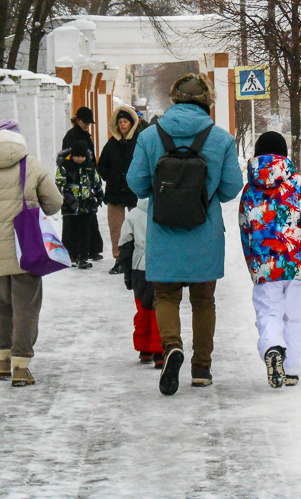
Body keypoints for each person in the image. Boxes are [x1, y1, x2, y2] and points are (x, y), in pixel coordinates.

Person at [127, 74, 244, 395]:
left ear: (175, 99)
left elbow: (136, 184)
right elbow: (232, 188)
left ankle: (171, 348)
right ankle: (202, 368)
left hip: (163, 232)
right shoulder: (220, 139)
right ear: (207, 102)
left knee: (165, 296)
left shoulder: (151, 137)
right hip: (204, 233)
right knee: (204, 301)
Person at [0, 119, 63, 387]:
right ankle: (21, 366)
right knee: (26, 308)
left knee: (0, 304)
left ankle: (2, 360)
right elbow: (54, 204)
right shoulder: (32, 165)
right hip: (26, 249)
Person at [238, 132, 301, 389]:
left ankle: (272, 348)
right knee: (293, 317)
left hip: (265, 266)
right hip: (296, 264)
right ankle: (290, 369)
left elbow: (245, 229)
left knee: (269, 313)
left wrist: (253, 265)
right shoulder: (299, 185)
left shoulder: (250, 190)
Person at [118, 198, 164, 369]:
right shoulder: (167, 212)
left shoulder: (134, 215)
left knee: (143, 309)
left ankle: (144, 347)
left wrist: (127, 273)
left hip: (140, 269)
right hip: (162, 267)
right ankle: (159, 350)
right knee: (160, 308)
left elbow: (125, 245)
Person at [97, 105, 140, 275]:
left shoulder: (139, 141)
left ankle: (138, 259)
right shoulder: (112, 143)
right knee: (116, 228)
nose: (122, 125)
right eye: (120, 121)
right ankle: (119, 259)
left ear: (132, 123)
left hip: (135, 192)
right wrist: (111, 177)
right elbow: (102, 165)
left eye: (125, 121)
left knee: (138, 226)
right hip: (115, 192)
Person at [61, 106, 103, 259]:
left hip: (87, 180)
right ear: (77, 120)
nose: (87, 125)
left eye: (89, 123)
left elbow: (90, 157)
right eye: (85, 122)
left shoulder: (86, 135)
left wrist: (93, 174)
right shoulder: (70, 137)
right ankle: (73, 252)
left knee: (89, 216)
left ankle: (92, 249)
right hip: (74, 181)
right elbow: (64, 158)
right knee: (73, 220)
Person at [56, 139, 105, 269]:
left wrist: (99, 195)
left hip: (87, 205)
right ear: (72, 155)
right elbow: (60, 185)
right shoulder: (65, 167)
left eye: (83, 156)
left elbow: (96, 182)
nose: (80, 159)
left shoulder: (89, 166)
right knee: (70, 232)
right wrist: (69, 199)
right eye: (77, 156)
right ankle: (70, 256)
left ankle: (83, 257)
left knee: (85, 232)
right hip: (70, 207)